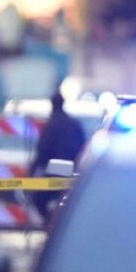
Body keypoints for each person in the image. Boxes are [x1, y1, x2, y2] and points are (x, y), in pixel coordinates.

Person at [29, 90, 86, 221]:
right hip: (73, 170)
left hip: (54, 170)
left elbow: (43, 150)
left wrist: (33, 170)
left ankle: (51, 223)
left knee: (39, 198)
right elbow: (83, 146)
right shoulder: (74, 124)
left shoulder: (52, 124)